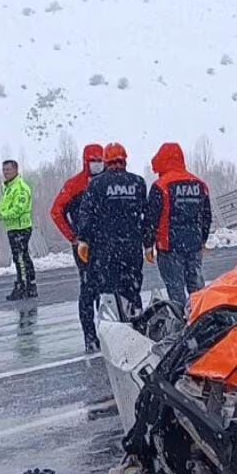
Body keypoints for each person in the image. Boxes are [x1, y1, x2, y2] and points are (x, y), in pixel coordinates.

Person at [75, 142, 148, 350]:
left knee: (108, 294)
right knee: (132, 291)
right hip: (132, 248)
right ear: (125, 159)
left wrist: (83, 239)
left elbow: (86, 215)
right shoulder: (138, 183)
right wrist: (148, 242)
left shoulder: (97, 184)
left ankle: (106, 338)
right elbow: (146, 216)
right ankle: (136, 333)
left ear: (106, 161)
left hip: (105, 249)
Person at [146, 141, 212, 314]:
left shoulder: (161, 186)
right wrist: (202, 240)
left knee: (176, 293)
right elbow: (206, 217)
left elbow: (151, 219)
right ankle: (202, 322)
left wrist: (148, 244)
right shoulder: (199, 184)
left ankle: (182, 326)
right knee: (197, 290)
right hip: (193, 246)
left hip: (169, 248)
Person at [51, 143, 106, 344]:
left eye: (100, 161)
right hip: (85, 245)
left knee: (107, 288)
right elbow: (56, 211)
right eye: (94, 161)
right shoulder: (75, 184)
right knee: (89, 288)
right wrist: (72, 236)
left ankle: (108, 331)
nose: (97, 164)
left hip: (107, 244)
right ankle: (91, 336)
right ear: (86, 161)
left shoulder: (109, 182)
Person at [0, 160, 36, 300]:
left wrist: (1, 216)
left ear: (16, 170)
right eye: (4, 170)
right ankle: (28, 285)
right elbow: (7, 204)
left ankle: (24, 286)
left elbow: (18, 209)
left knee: (20, 258)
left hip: (21, 228)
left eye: (8, 169)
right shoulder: (9, 187)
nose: (5, 172)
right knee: (22, 257)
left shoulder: (20, 188)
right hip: (13, 227)